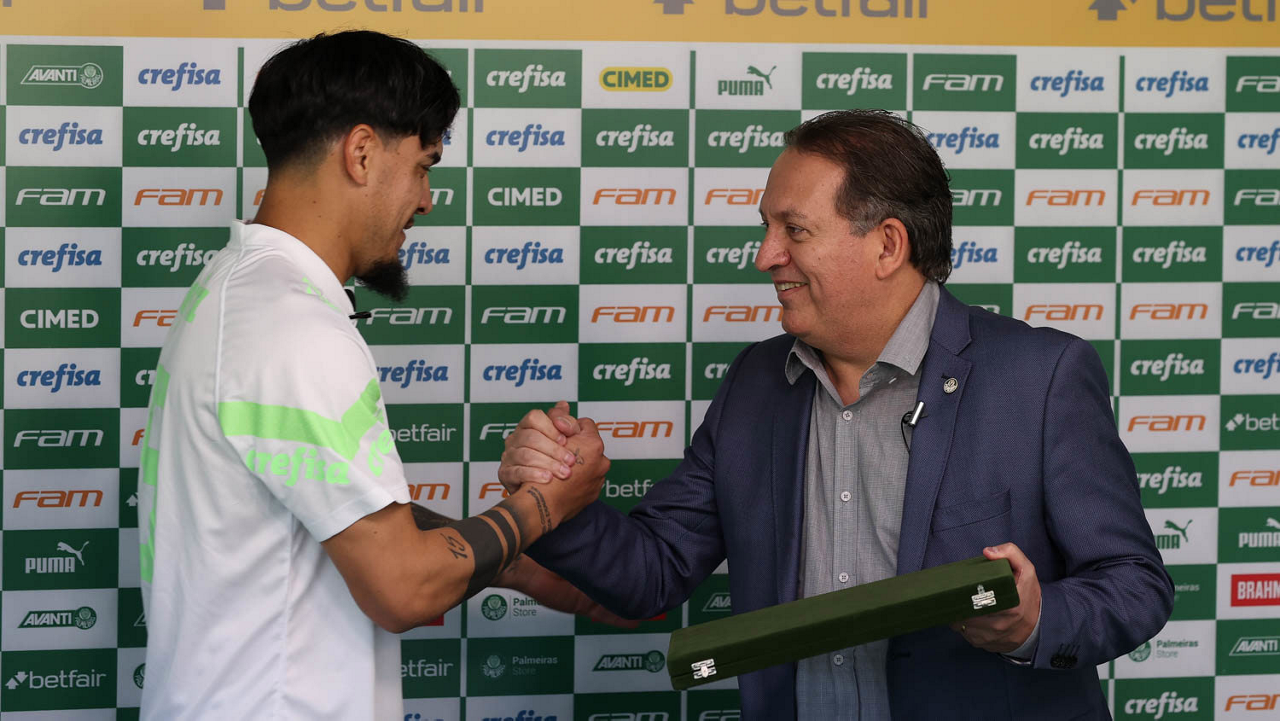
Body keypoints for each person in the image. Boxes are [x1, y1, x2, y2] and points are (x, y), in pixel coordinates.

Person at [499, 110, 1174, 720]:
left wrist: (1033, 619)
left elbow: (1135, 584)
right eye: (767, 228)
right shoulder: (755, 382)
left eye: (793, 230)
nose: (765, 256)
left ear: (887, 245)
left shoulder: (1041, 375)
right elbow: (653, 570)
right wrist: (556, 500)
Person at [136, 31, 616, 719]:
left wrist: (521, 567)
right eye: (423, 165)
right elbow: (402, 589)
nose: (426, 199)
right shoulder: (295, 327)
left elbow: (327, 505)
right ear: (361, 153)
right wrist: (546, 505)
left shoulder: (237, 292)